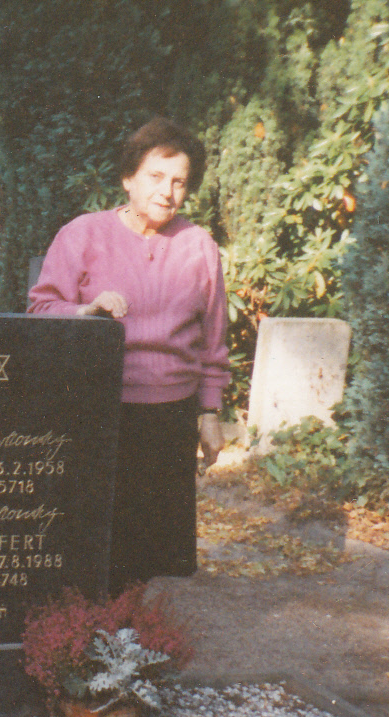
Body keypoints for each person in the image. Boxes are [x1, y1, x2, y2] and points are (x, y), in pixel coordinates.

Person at [28, 116, 228, 593]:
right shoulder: (83, 235)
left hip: (169, 415)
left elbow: (213, 339)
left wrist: (210, 411)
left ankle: (138, 652)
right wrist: (86, 310)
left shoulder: (199, 247)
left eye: (179, 182)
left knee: (155, 556)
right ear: (128, 178)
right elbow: (40, 308)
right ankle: (81, 646)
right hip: (98, 411)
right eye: (156, 176)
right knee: (93, 546)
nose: (167, 191)